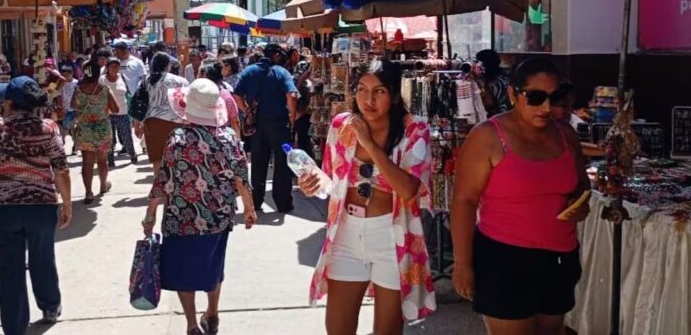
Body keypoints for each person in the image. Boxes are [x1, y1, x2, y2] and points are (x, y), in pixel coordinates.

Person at [451, 57, 591, 335]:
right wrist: (463, 264)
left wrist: (580, 204)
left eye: (555, 97)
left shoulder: (565, 135)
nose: (547, 107)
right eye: (536, 98)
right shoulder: (488, 136)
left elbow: (581, 186)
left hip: (560, 259)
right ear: (514, 94)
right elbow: (464, 201)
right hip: (504, 260)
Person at [297, 58, 435, 334]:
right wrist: (311, 183)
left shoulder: (414, 130)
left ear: (395, 96)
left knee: (387, 329)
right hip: (346, 234)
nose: (367, 99)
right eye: (361, 89)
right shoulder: (341, 126)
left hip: (390, 235)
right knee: (337, 328)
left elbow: (408, 190)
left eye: (379, 91)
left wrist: (369, 145)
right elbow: (330, 180)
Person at [143, 78, 256, 335]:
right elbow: (241, 178)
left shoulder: (178, 139)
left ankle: (192, 324)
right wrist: (250, 209)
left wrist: (150, 215)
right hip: (218, 216)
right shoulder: (229, 138)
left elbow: (163, 180)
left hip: (181, 217)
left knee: (184, 270)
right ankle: (213, 312)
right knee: (212, 265)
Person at [0, 76, 71, 335]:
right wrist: (67, 203)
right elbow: (61, 169)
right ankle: (50, 307)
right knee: (43, 258)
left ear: (10, 103)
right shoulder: (48, 128)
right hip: (42, 205)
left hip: (2, 208)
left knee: (9, 270)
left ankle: (14, 328)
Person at [234, 43, 299, 213]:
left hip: (256, 126)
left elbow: (237, 94)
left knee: (258, 164)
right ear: (276, 55)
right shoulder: (281, 72)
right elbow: (291, 95)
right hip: (279, 125)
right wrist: (292, 117)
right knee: (282, 164)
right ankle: (283, 203)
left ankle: (256, 202)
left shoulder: (249, 71)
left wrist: (246, 110)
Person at [72, 61, 119, 204]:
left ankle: (88, 193)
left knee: (87, 162)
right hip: (102, 129)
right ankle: (103, 185)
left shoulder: (79, 89)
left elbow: (73, 105)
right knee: (102, 159)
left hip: (85, 129)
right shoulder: (104, 89)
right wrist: (101, 109)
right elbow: (116, 109)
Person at [135, 52, 189, 173]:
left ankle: (158, 184)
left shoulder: (145, 81)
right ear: (168, 65)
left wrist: (137, 123)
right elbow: (185, 104)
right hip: (176, 123)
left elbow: (139, 104)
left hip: (152, 124)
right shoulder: (181, 81)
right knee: (177, 158)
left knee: (157, 159)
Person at [101, 58, 138, 165]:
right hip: (107, 113)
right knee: (109, 138)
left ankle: (132, 154)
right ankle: (111, 160)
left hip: (122, 111)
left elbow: (129, 94)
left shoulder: (123, 77)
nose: (114, 68)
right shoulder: (102, 79)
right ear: (107, 68)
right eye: (112, 66)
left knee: (126, 136)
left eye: (117, 66)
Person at [201, 60, 241, 138]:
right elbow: (234, 120)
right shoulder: (226, 95)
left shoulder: (198, 93)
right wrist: (238, 140)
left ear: (205, 76)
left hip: (201, 136)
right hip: (222, 138)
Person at [476, 49, 511, 117]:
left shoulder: (497, 83)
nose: (477, 65)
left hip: (502, 118)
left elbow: (489, 103)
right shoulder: (502, 75)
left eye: (478, 62)